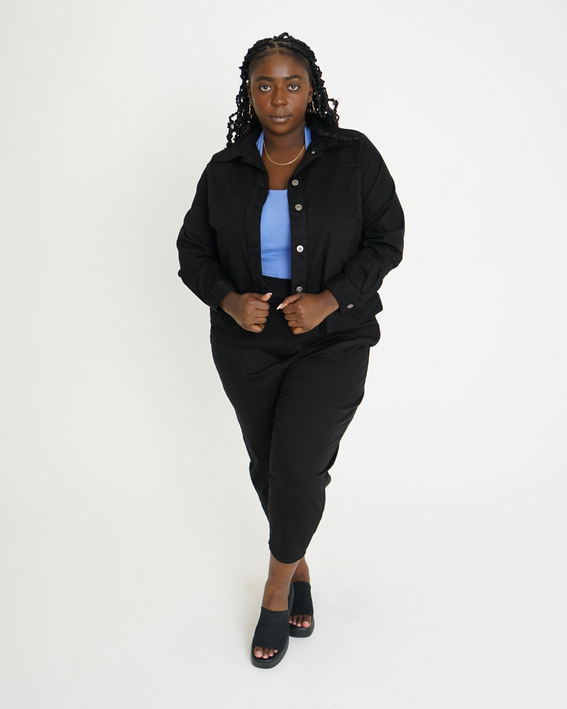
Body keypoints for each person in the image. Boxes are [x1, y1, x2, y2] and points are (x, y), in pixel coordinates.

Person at [177, 32, 404, 668]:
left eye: (292, 84)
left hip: (333, 337)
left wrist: (330, 299)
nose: (279, 98)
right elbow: (192, 251)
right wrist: (228, 300)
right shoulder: (224, 170)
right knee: (268, 466)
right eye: (265, 85)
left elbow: (387, 239)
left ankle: (276, 587)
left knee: (299, 469)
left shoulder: (353, 157)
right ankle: (297, 561)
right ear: (249, 94)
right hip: (247, 342)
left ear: (311, 91)